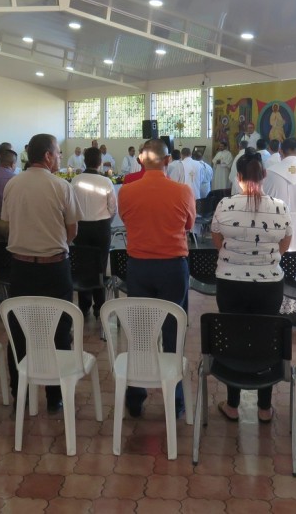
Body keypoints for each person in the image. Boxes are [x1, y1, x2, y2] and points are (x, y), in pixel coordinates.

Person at [1, 133, 81, 414]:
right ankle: (54, 396)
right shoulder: (61, 186)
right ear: (47, 155)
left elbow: (8, 222)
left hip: (20, 267)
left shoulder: (13, 183)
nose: (60, 157)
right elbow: (72, 231)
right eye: (58, 153)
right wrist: (53, 243)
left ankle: (18, 393)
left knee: (19, 329)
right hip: (54, 266)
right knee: (59, 330)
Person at [211, 151, 292, 422]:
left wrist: (238, 255)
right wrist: (265, 259)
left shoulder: (225, 205)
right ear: (264, 175)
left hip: (231, 283)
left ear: (238, 177)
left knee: (232, 335)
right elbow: (285, 244)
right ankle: (265, 408)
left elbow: (217, 239)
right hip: (268, 283)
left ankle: (232, 404)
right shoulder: (280, 207)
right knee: (266, 337)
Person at [118, 138, 196, 418]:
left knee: (140, 332)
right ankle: (174, 400)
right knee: (173, 332)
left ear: (140, 160)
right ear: (167, 161)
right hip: (172, 267)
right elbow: (188, 224)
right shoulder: (182, 191)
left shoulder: (126, 191)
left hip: (139, 266)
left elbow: (127, 220)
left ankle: (136, 396)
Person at [71, 147, 116, 318]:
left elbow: (71, 206)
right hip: (101, 227)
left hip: (81, 226)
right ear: (100, 162)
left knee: (83, 265)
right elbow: (113, 209)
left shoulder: (75, 180)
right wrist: (106, 223)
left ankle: (83, 306)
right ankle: (99, 306)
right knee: (100, 266)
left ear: (84, 161)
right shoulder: (106, 182)